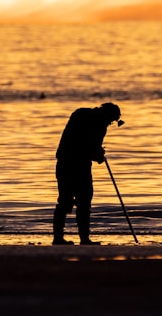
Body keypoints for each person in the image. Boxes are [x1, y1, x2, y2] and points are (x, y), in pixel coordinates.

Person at [53, 102, 123, 245]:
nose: (110, 123)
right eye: (111, 120)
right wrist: (99, 155)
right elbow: (89, 148)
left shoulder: (79, 113)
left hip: (65, 162)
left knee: (65, 201)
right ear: (108, 115)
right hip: (79, 165)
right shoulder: (99, 125)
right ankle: (83, 239)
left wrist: (96, 152)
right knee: (83, 202)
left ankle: (58, 238)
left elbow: (82, 143)